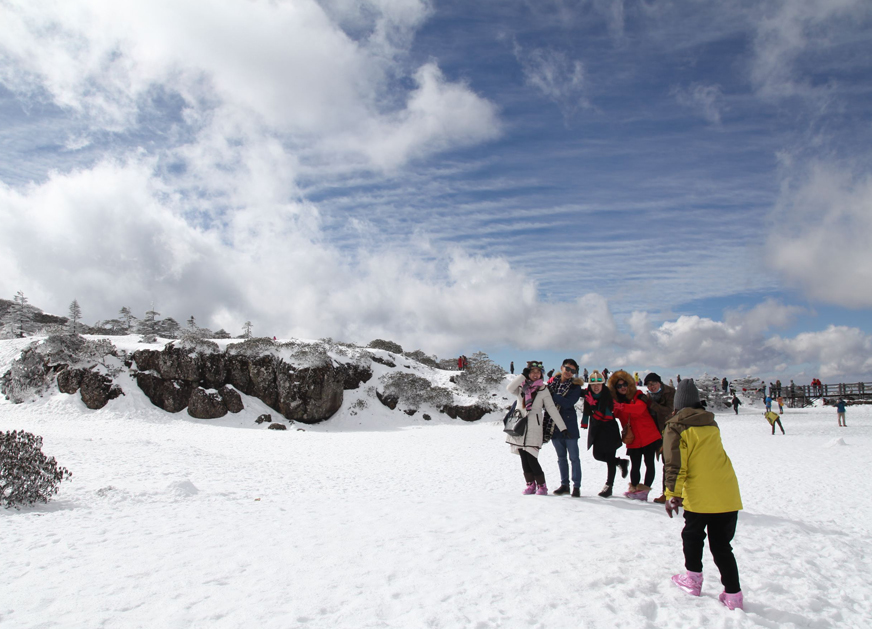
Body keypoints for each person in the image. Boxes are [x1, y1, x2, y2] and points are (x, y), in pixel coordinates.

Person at [664, 379, 744, 611]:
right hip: (727, 493)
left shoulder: (676, 426)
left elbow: (676, 465)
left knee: (692, 537)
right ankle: (733, 595)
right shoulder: (711, 423)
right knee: (721, 547)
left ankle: (693, 580)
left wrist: (672, 494)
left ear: (677, 405)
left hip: (699, 497)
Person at [506, 361, 568, 495]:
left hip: (534, 428)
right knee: (523, 457)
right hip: (518, 426)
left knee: (532, 458)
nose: (535, 374)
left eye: (538, 372)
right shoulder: (521, 387)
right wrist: (522, 376)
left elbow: (551, 409)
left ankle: (542, 486)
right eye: (532, 372)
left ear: (541, 374)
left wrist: (563, 427)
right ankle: (530, 485)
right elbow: (509, 388)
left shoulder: (543, 389)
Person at [609, 370, 662, 501]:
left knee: (649, 463)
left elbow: (639, 409)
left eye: (624, 384)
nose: (623, 388)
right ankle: (634, 488)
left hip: (648, 435)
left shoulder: (638, 395)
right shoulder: (615, 402)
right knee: (635, 465)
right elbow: (611, 414)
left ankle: (644, 490)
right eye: (619, 386)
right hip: (632, 439)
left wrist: (621, 406)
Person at [582, 370, 628, 497]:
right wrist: (584, 422)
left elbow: (607, 414)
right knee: (597, 455)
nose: (596, 387)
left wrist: (594, 409)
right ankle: (620, 462)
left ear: (603, 385)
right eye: (593, 385)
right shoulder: (588, 394)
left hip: (609, 428)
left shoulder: (608, 395)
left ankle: (609, 486)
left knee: (609, 458)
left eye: (599, 384)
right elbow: (586, 410)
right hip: (597, 429)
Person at [546, 359, 584, 496]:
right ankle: (564, 484)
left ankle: (576, 486)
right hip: (554, 427)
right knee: (561, 458)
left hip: (569, 427)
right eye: (567, 369)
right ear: (562, 367)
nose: (569, 372)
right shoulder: (552, 384)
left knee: (574, 458)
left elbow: (568, 403)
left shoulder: (575, 387)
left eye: (573, 371)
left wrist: (553, 395)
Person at [643, 372, 675, 504]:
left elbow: (669, 410)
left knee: (671, 464)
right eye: (649, 385)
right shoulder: (650, 396)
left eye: (653, 383)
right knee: (665, 463)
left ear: (659, 382)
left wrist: (651, 404)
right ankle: (666, 493)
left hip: (672, 432)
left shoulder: (671, 392)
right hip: (657, 434)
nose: (651, 387)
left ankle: (670, 493)